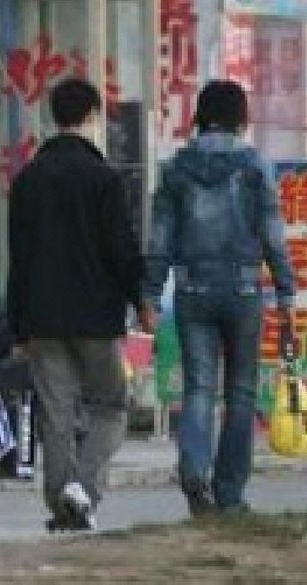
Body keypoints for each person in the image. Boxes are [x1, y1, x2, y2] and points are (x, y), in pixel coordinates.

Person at [140, 80, 295, 516]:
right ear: (241, 119)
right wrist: (286, 290)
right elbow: (272, 235)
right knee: (242, 393)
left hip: (192, 290)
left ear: (200, 116)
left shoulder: (175, 170)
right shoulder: (254, 168)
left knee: (198, 388)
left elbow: (160, 239)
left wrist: (150, 292)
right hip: (245, 290)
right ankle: (229, 493)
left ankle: (194, 474)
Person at [7, 78, 141, 531]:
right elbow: (120, 250)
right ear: (92, 118)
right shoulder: (103, 178)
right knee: (111, 405)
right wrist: (140, 298)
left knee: (56, 413)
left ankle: (61, 502)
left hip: (41, 316)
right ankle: (83, 488)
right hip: (96, 316)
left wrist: (16, 326)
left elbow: (18, 256)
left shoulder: (28, 179)